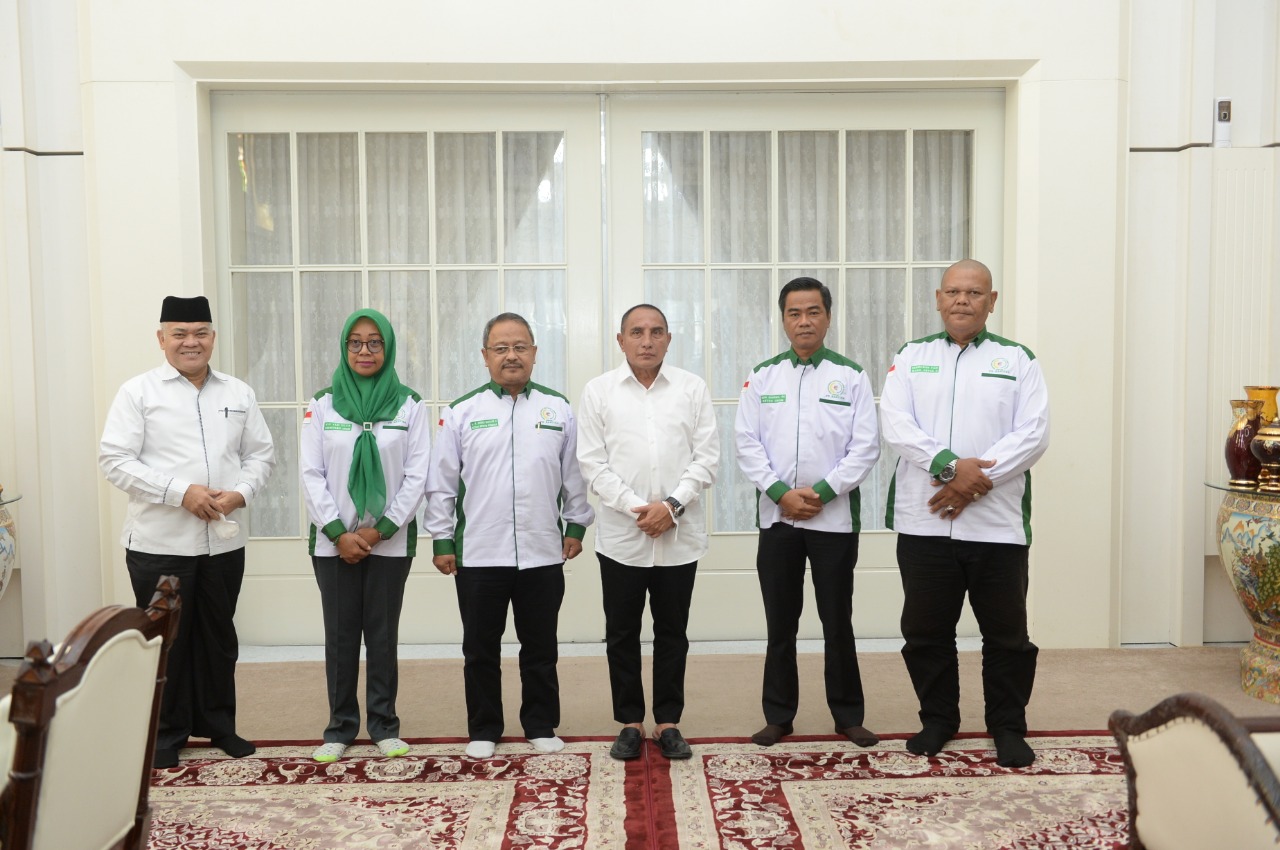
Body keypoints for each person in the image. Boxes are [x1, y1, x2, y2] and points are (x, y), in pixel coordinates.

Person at [880, 259, 1050, 768]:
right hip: (924, 522)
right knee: (925, 632)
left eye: (974, 293)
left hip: (997, 525)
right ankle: (938, 720)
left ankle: (1007, 727)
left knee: (1007, 636)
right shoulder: (911, 356)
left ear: (991, 302)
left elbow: (1033, 433)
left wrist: (975, 483)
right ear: (938, 298)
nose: (962, 300)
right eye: (953, 291)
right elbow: (896, 423)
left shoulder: (1017, 359)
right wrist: (951, 467)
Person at [99, 294, 275, 769]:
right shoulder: (137, 393)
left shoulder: (238, 393)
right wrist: (181, 493)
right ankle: (165, 732)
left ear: (213, 338)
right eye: (179, 333)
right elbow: (114, 460)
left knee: (219, 638)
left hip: (223, 542)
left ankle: (219, 725)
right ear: (162, 339)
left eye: (200, 332)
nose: (190, 342)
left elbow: (261, 455)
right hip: (159, 543)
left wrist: (240, 493)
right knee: (166, 642)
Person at [425, 312, 594, 760]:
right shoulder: (462, 412)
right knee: (480, 648)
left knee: (540, 647)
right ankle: (484, 728)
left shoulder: (558, 409)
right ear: (485, 357)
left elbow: (574, 476)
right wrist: (442, 539)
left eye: (520, 347)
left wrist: (576, 525)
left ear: (534, 353)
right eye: (501, 348)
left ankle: (540, 723)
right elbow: (442, 482)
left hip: (543, 551)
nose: (511, 356)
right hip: (480, 553)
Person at [735, 277, 881, 749]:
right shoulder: (763, 377)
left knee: (837, 621)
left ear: (828, 318)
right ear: (783, 320)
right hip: (778, 520)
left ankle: (848, 716)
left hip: (833, 521)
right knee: (781, 624)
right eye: (794, 313)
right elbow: (746, 443)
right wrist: (781, 493)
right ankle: (779, 716)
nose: (804, 321)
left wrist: (820, 493)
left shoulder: (851, 376)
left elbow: (866, 447)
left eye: (813, 312)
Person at [577, 304, 719, 761]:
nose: (647, 341)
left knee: (672, 632)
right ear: (620, 341)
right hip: (622, 537)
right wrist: (639, 509)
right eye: (636, 332)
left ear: (669, 339)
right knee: (621, 633)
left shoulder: (692, 389)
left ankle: (669, 722)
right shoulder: (599, 391)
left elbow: (707, 459)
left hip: (679, 536)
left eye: (656, 332)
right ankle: (630, 722)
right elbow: (592, 463)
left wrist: (671, 507)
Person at [301, 308, 431, 764]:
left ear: (388, 348)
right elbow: (310, 474)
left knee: (382, 636)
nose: (364, 350)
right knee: (340, 638)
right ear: (344, 348)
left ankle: (384, 726)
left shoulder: (410, 404)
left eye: (375, 342)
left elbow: (417, 476)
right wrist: (339, 533)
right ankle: (339, 728)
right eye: (355, 342)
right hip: (332, 544)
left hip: (389, 544)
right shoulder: (323, 404)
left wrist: (382, 530)